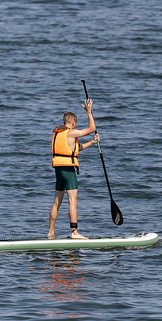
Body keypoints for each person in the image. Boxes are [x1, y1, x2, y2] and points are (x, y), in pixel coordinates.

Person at [48, 99, 99, 239]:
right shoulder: (70, 133)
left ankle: (51, 233)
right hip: (68, 171)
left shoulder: (58, 134)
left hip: (58, 170)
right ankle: (74, 232)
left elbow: (75, 149)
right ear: (73, 122)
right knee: (72, 201)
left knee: (57, 202)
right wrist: (89, 112)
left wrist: (92, 142)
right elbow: (92, 128)